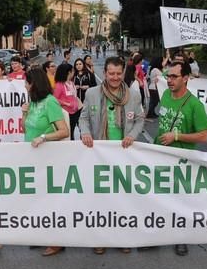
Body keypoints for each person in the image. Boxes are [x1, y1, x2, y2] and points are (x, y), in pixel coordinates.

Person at [79, 56, 145, 255]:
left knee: (122, 199)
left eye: (118, 73)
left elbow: (140, 120)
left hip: (124, 154)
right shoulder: (91, 93)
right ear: (105, 73)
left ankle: (122, 237)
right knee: (100, 199)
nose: (115, 77)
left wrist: (132, 136)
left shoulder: (134, 95)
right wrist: (85, 132)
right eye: (111, 73)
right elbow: (83, 119)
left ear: (123, 73)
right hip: (99, 155)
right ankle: (101, 238)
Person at [156, 61, 207, 256]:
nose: (169, 80)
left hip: (182, 161)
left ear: (186, 78)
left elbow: (204, 136)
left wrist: (176, 136)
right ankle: (155, 235)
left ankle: (181, 238)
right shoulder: (165, 95)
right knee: (158, 198)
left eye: (174, 76)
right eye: (168, 76)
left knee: (180, 202)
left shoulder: (195, 104)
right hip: (159, 156)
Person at [21, 68, 70, 257]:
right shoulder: (32, 102)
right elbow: (25, 128)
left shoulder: (50, 102)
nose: (25, 86)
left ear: (34, 84)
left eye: (27, 82)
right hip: (32, 157)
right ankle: (41, 235)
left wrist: (44, 137)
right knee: (36, 199)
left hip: (48, 158)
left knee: (50, 199)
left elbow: (63, 131)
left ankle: (56, 241)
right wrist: (24, 114)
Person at [54, 62, 81, 140]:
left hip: (75, 112)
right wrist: (66, 103)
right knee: (68, 134)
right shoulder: (59, 85)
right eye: (72, 71)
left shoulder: (71, 83)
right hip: (66, 113)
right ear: (68, 72)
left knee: (73, 131)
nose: (74, 72)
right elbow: (54, 99)